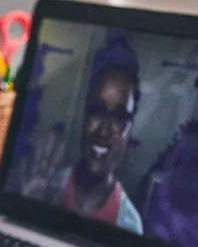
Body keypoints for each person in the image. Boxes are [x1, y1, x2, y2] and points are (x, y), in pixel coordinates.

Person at [20, 36, 143, 233]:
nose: (104, 131)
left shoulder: (130, 224)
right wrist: (31, 205)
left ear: (129, 132)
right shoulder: (48, 186)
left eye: (119, 118)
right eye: (97, 110)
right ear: (84, 115)